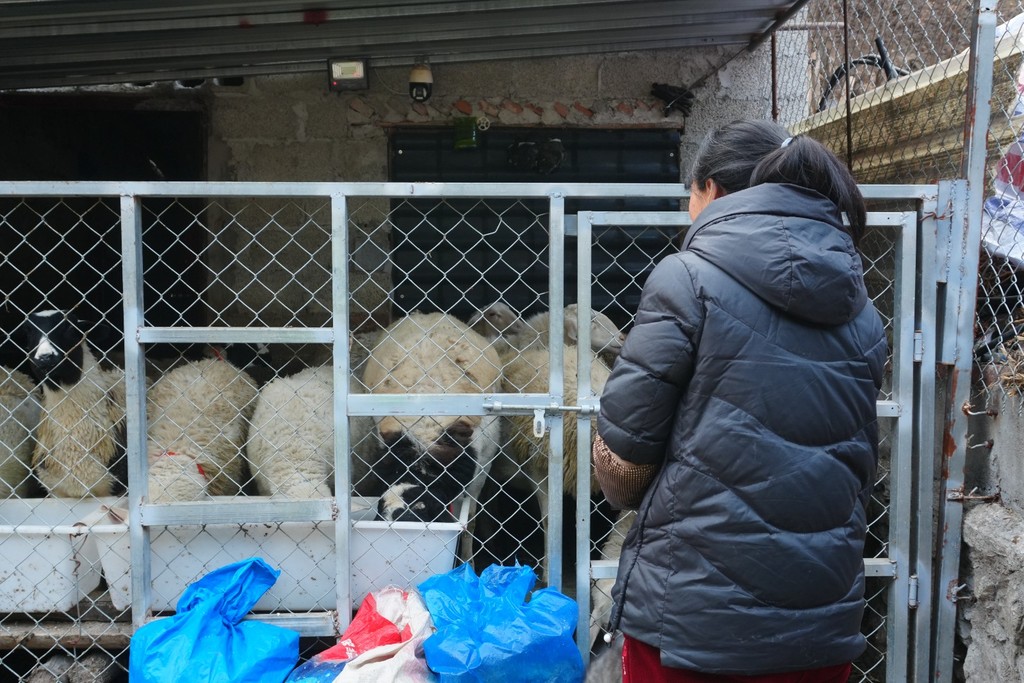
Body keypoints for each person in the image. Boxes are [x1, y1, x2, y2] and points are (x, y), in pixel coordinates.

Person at [592, 118, 887, 683]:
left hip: (694, 628)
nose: (688, 210)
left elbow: (624, 466)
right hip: (821, 630)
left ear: (713, 190)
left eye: (690, 193)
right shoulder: (861, 309)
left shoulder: (686, 279)